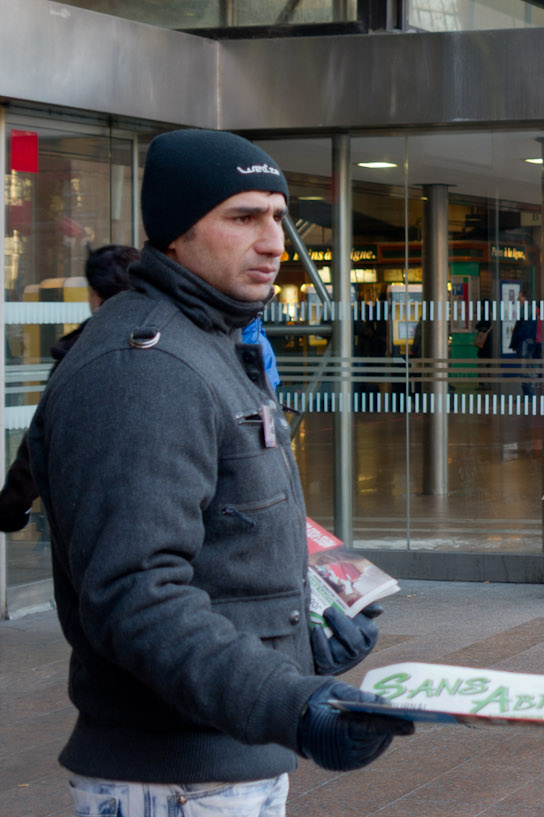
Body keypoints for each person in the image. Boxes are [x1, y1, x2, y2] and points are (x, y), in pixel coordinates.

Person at [26, 130, 412, 813]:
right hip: (174, 779)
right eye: (243, 216)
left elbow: (225, 549)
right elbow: (135, 595)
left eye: (278, 216)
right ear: (175, 231)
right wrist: (292, 701)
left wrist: (302, 636)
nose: (273, 241)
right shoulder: (146, 367)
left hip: (222, 761)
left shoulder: (209, 342)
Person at [0, 244, 137, 533]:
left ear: (95, 295)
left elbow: (41, 440)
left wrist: (11, 506)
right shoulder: (177, 343)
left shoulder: (81, 354)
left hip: (100, 522)